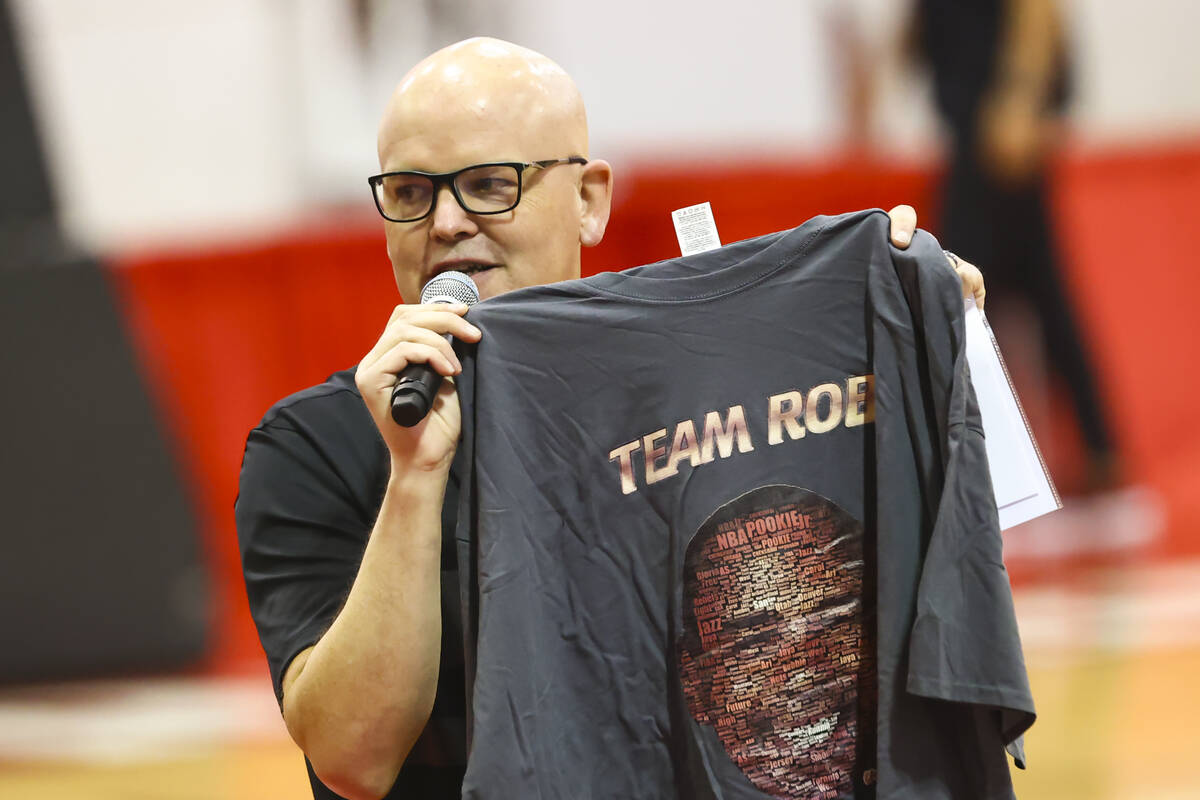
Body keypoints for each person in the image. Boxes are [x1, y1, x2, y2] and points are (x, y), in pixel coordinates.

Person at [236, 37, 987, 800]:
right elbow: (352, 757)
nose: (447, 222)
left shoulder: (692, 394)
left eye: (490, 183)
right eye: (408, 193)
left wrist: (915, 324)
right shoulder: (312, 446)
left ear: (589, 200)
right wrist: (415, 477)